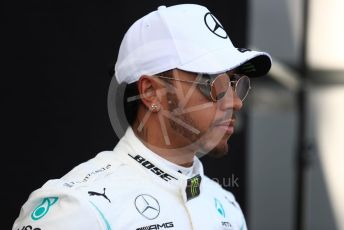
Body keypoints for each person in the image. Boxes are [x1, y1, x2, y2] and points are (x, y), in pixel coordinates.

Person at [12, 4, 271, 230]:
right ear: (151, 93)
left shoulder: (225, 207)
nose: (235, 101)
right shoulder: (77, 208)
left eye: (236, 83)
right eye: (215, 83)